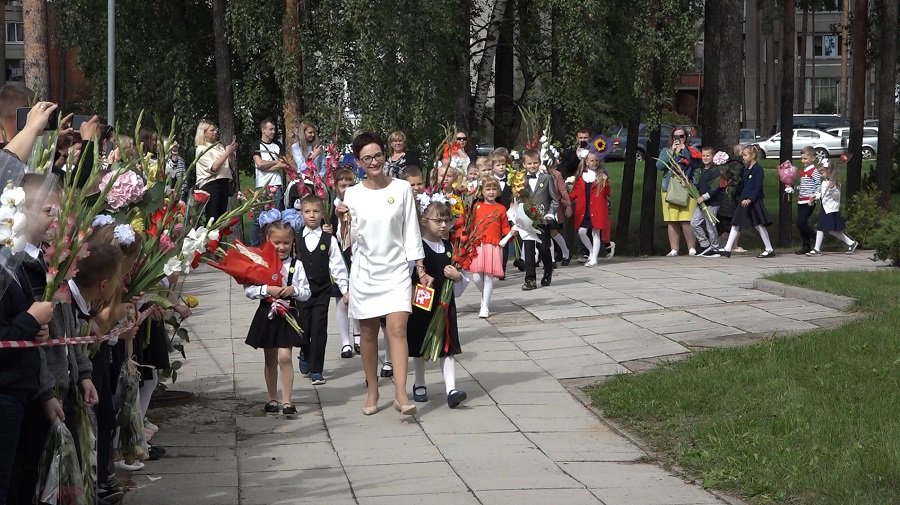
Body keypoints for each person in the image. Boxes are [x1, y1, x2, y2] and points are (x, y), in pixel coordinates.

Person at [336, 131, 428, 417]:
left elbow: (411, 231)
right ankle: (373, 388)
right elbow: (346, 242)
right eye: (367, 158)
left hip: (397, 270)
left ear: (385, 156)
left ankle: (401, 393)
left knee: (398, 329)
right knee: (368, 332)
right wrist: (342, 222)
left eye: (378, 155)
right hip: (365, 272)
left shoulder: (401, 188)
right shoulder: (352, 193)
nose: (374, 161)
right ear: (359, 162)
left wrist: (421, 269)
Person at [0, 172, 56, 505]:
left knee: (21, 476)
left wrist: (36, 329)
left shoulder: (14, 262)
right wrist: (29, 320)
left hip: (20, 386)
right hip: (6, 388)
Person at [244, 215, 311, 417]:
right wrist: (267, 289)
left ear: (293, 243)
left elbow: (306, 291)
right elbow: (249, 290)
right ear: (267, 241)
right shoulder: (261, 263)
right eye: (277, 243)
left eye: (286, 243)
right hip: (267, 314)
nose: (282, 247)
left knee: (285, 356)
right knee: (270, 357)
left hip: (287, 313)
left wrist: (293, 290)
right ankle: (272, 397)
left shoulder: (296, 265)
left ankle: (287, 400)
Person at [407, 200, 468, 409]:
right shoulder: (417, 249)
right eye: (437, 221)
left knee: (447, 346)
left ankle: (451, 389)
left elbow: (460, 283)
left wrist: (458, 277)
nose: (443, 225)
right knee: (419, 344)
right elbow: (409, 275)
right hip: (422, 305)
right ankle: (420, 382)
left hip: (445, 304)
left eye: (447, 221)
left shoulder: (451, 247)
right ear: (424, 221)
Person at [295, 195, 349, 385]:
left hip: (321, 290)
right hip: (301, 291)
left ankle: (317, 369)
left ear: (322, 213)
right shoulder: (296, 237)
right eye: (307, 212)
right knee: (304, 328)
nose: (312, 216)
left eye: (316, 211)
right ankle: (305, 353)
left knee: (319, 329)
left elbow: (337, 266)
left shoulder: (328, 239)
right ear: (301, 214)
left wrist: (344, 289)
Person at [711, 145, 775, 258]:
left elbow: (757, 187)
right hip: (743, 201)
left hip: (753, 202)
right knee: (736, 222)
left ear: (753, 155)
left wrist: (750, 198)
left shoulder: (758, 170)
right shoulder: (746, 169)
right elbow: (742, 185)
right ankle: (727, 248)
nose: (743, 157)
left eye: (745, 155)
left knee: (759, 224)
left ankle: (769, 249)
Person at [469, 177, 512, 318]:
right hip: (478, 244)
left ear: (498, 191)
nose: (491, 192)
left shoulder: (501, 208)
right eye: (488, 189)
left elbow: (505, 228)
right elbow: (471, 224)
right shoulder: (477, 207)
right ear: (482, 191)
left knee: (488, 277)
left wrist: (512, 232)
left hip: (493, 246)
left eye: (494, 189)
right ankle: (485, 295)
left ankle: (485, 306)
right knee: (476, 277)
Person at [656, 126, 700, 256]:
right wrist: (672, 152)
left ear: (686, 137)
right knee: (672, 219)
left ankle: (691, 248)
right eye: (676, 136)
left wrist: (684, 151)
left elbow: (696, 163)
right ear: (672, 138)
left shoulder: (691, 149)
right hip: (670, 188)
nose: (679, 139)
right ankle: (674, 249)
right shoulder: (666, 150)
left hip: (687, 188)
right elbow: (659, 165)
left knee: (686, 219)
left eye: (682, 136)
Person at [332, 168, 361, 358]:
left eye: (350, 185)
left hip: (357, 253)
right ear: (336, 188)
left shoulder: (360, 203)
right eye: (343, 186)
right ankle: (345, 342)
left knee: (357, 296)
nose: (347, 189)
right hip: (338, 254)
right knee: (342, 299)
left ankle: (358, 335)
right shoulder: (332, 204)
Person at [520, 149, 558, 290]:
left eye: (535, 163)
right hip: (526, 219)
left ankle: (548, 270)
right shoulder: (520, 179)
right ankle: (530, 279)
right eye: (529, 163)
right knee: (528, 249)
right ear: (524, 164)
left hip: (542, 220)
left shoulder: (546, 178)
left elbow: (554, 199)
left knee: (543, 247)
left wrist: (550, 214)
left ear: (540, 163)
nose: (532, 166)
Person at [805, 160, 858, 256]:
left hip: (831, 209)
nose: (821, 175)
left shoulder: (835, 183)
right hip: (825, 208)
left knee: (821, 227)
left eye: (822, 172)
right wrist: (815, 196)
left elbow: (836, 195)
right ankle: (851, 242)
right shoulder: (825, 182)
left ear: (829, 170)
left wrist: (832, 188)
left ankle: (817, 249)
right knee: (831, 230)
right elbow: (822, 195)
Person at [569, 152, 612, 267]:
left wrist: (605, 182)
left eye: (596, 160)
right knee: (582, 231)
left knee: (596, 232)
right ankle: (592, 252)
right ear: (586, 162)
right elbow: (575, 192)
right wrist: (566, 199)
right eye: (592, 161)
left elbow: (607, 192)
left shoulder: (601, 176)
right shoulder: (582, 176)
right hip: (584, 209)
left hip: (597, 209)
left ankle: (594, 259)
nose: (594, 163)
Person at [251, 118, 289, 246]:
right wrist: (275, 162)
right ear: (263, 130)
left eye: (274, 129)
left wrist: (267, 165)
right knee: (258, 218)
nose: (273, 132)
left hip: (276, 184)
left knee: (277, 216)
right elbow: (259, 164)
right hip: (262, 186)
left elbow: (284, 164)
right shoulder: (257, 145)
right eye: (270, 129)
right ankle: (255, 246)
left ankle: (274, 243)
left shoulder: (278, 145)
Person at [194, 119, 237, 222]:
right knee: (213, 217)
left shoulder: (219, 146)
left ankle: (219, 237)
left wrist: (230, 153)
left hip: (223, 181)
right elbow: (214, 168)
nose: (215, 132)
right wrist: (226, 153)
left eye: (215, 130)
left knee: (221, 218)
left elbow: (231, 166)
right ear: (204, 133)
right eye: (212, 130)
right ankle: (211, 237)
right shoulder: (201, 149)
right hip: (211, 184)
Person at [692, 147, 723, 256]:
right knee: (694, 223)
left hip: (712, 203)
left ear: (713, 156)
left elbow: (715, 187)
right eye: (703, 156)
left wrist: (704, 197)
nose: (705, 158)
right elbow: (697, 184)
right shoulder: (700, 170)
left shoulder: (715, 171)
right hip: (700, 203)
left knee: (710, 225)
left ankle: (715, 248)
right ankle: (705, 244)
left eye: (708, 155)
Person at [795, 146, 821, 255]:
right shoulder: (803, 171)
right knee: (800, 223)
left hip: (809, 201)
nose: (803, 161)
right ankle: (806, 245)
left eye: (805, 159)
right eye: (802, 158)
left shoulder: (814, 171)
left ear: (813, 158)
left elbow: (818, 185)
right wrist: (794, 188)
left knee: (801, 222)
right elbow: (803, 186)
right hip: (801, 200)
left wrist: (815, 196)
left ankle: (816, 237)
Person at [547, 156, 572, 265]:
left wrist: (568, 205)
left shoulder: (556, 175)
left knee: (553, 231)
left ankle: (565, 252)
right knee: (544, 233)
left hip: (553, 206)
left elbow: (563, 190)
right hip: (541, 205)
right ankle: (549, 258)